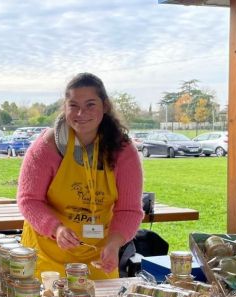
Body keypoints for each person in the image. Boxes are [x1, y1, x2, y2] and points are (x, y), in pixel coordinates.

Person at [17, 73, 144, 280]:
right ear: (65, 107)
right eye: (73, 105)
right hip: (47, 257)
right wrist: (56, 229)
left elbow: (129, 209)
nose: (81, 113)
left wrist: (114, 244)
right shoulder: (47, 146)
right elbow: (29, 200)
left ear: (105, 106)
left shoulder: (123, 151)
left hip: (99, 257)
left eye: (90, 105)